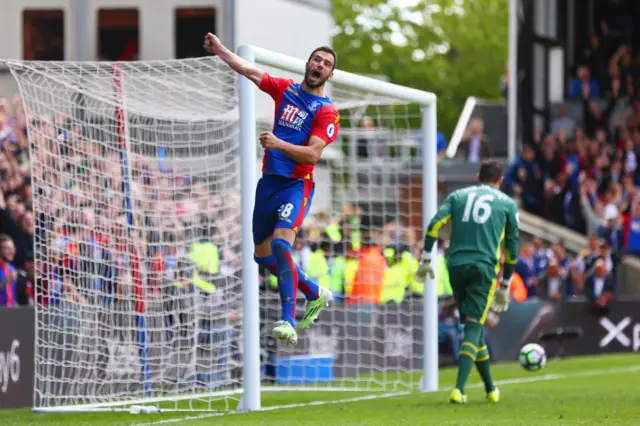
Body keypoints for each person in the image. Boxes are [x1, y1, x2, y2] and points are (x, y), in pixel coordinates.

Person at [203, 33, 340, 345]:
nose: (320, 65)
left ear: (330, 75)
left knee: (281, 246)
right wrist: (221, 49)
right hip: (268, 185)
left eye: (326, 64)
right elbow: (250, 71)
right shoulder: (286, 90)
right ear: (308, 64)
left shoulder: (326, 111)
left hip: (296, 185)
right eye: (317, 59)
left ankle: (289, 321)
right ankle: (314, 292)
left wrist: (278, 143)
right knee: (262, 259)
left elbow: (313, 155)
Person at [415, 160, 520, 404]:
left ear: (477, 176)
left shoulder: (458, 196)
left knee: (475, 328)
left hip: (456, 266)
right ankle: (459, 389)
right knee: (473, 327)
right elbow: (512, 247)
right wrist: (505, 284)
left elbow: (434, 224)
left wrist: (427, 258)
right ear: (500, 180)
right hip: (484, 268)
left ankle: (491, 389)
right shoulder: (506, 204)